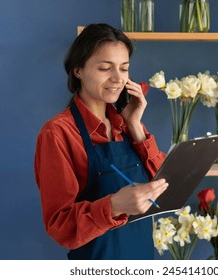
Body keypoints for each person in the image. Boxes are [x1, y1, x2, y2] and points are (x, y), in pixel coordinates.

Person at [34, 23, 168, 260]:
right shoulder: (57, 134)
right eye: (106, 68)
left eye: (124, 69)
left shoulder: (128, 124)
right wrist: (114, 206)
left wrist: (135, 126)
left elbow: (165, 190)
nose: (118, 78)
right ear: (78, 70)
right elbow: (60, 225)